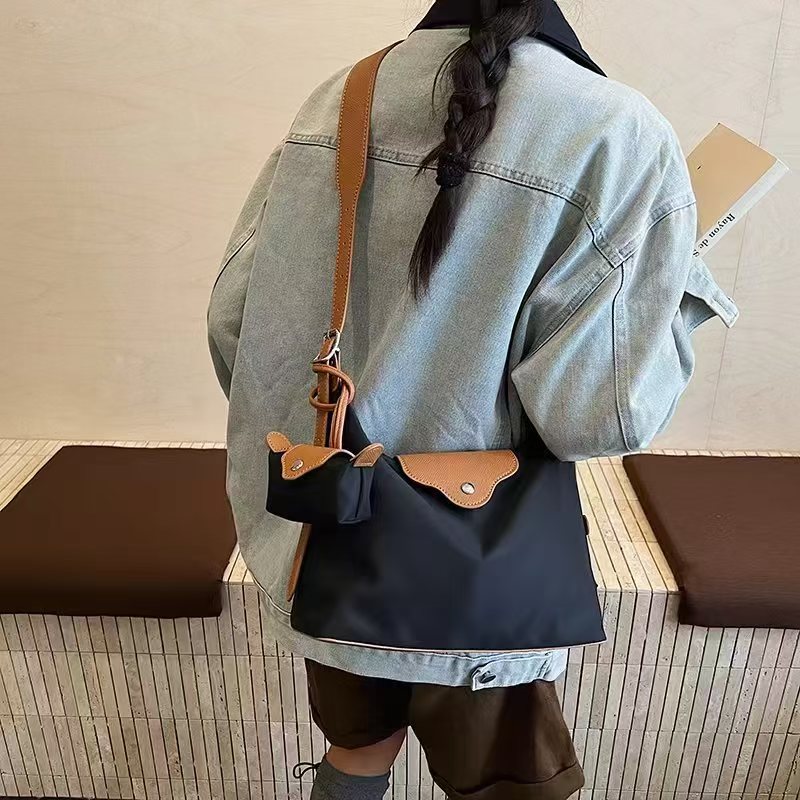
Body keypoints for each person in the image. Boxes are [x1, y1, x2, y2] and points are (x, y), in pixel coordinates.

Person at [207, 1, 738, 798]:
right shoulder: (614, 130)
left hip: (328, 543)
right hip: (479, 563)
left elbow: (236, 328)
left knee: (356, 749)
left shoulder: (340, 99)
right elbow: (597, 417)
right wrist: (681, 286)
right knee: (512, 783)